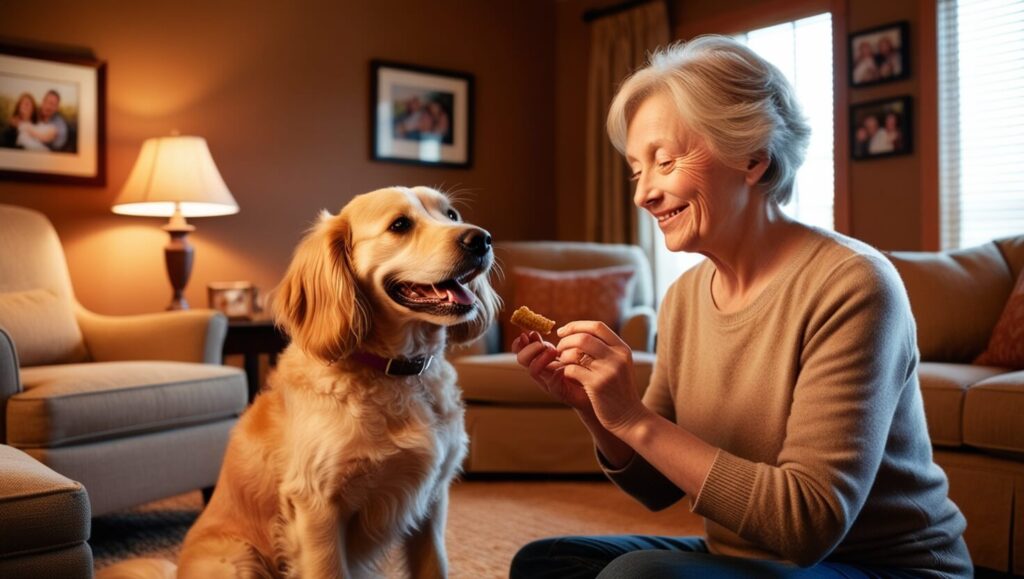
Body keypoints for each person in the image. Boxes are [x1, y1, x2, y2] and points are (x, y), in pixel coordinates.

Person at [510, 35, 971, 578]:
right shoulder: (684, 297)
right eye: (637, 170)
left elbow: (808, 525)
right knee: (546, 564)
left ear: (753, 158)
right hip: (751, 558)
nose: (643, 195)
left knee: (638, 577)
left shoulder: (853, 286)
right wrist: (596, 409)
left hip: (881, 567)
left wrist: (635, 418)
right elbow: (657, 488)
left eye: (665, 161)